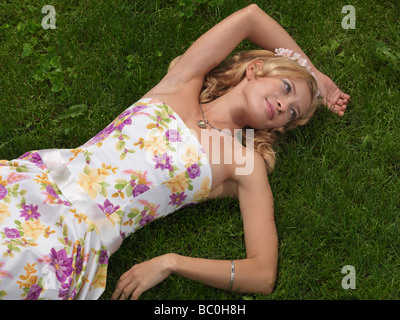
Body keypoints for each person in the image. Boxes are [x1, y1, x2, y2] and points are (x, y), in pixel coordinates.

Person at [0, 4, 349, 300]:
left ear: (278, 128)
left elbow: (261, 274)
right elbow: (251, 17)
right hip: (28, 188)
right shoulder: (180, 83)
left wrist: (171, 262)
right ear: (255, 71)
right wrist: (317, 77)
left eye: (291, 111)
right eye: (286, 88)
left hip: (67, 244)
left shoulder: (245, 164)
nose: (282, 104)